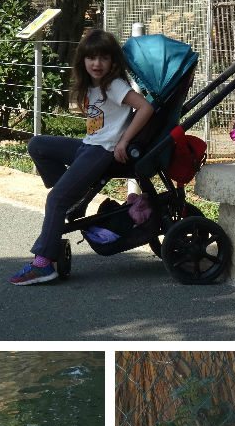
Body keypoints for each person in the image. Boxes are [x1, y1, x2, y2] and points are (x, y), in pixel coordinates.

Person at [9, 29, 154, 285]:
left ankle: (43, 265)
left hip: (103, 151)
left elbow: (145, 107)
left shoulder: (114, 85)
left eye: (103, 58)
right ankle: (72, 195)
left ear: (113, 62)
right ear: (83, 60)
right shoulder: (91, 85)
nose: (97, 64)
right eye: (91, 58)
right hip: (88, 146)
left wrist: (124, 140)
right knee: (38, 145)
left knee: (55, 200)